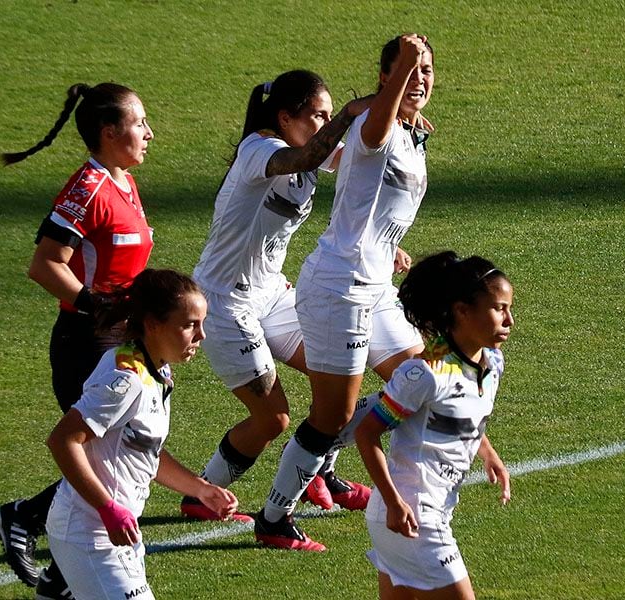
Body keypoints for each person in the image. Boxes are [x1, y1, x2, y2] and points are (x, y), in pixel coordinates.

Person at [254, 34, 436, 551]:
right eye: (409, 68)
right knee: (331, 414)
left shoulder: (411, 130)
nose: (420, 77)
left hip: (374, 285)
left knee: (426, 378)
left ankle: (344, 457)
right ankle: (273, 517)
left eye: (427, 69)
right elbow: (375, 135)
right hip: (340, 288)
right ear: (386, 76)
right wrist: (397, 78)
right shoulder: (373, 126)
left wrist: (392, 249)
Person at [180, 70, 374, 525]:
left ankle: (319, 470)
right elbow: (312, 153)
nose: (325, 122)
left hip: (269, 293)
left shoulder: (305, 150)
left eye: (329, 114)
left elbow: (349, 161)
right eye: (318, 114)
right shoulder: (259, 150)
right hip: (225, 304)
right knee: (273, 418)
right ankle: (201, 494)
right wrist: (348, 113)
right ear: (285, 118)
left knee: (337, 377)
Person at [0, 82, 155, 596]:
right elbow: (44, 264)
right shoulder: (87, 189)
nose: (149, 133)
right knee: (105, 454)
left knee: (122, 452)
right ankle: (25, 516)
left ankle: (59, 581)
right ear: (109, 132)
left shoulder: (123, 180)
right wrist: (96, 304)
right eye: (139, 124)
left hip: (120, 337)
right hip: (86, 341)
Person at [45, 268, 239, 600]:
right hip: (89, 532)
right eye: (189, 324)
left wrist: (201, 489)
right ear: (153, 324)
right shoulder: (125, 379)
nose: (201, 335)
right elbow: (63, 440)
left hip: (118, 531)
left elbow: (143, 449)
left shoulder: (158, 370)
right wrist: (108, 508)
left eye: (202, 323)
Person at [355, 251, 513, 599]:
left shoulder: (492, 363)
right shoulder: (425, 372)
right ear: (462, 310)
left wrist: (487, 452)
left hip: (421, 514)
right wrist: (395, 502)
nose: (509, 320)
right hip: (412, 517)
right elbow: (366, 433)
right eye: (498, 308)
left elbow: (462, 415)